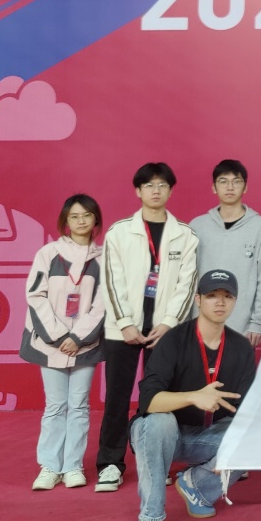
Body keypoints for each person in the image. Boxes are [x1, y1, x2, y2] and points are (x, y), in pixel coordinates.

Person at [129, 270, 256, 521]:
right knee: (160, 421)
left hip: (205, 436)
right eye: (212, 295)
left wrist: (235, 451)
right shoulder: (174, 340)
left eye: (227, 296)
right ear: (198, 300)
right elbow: (148, 401)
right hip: (159, 435)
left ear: (235, 301)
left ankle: (196, 486)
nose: (220, 302)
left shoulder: (241, 348)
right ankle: (150, 517)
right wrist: (194, 397)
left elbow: (246, 410)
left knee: (251, 436)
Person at [96, 163, 199, 493]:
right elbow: (111, 281)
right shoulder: (119, 232)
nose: (156, 190)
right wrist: (125, 323)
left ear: (170, 190)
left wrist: (169, 323)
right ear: (138, 191)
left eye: (162, 185)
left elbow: (187, 284)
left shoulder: (185, 235)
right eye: (149, 185)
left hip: (164, 332)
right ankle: (110, 464)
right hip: (123, 331)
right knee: (117, 398)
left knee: (158, 400)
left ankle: (157, 461)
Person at [20, 195, 108, 491]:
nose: (81, 221)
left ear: (96, 220)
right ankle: (49, 466)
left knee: (79, 406)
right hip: (50, 344)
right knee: (55, 405)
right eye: (74, 216)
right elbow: (36, 296)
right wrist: (59, 336)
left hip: (86, 344)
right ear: (65, 221)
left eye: (87, 215)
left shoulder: (104, 259)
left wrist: (78, 337)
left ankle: (72, 466)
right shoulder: (48, 253)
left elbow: (103, 303)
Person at [190, 160, 261, 347]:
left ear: (245, 187)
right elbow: (187, 276)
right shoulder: (197, 226)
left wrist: (259, 322)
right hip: (200, 322)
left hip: (242, 326)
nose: (230, 187)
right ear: (214, 187)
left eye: (236, 181)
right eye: (223, 181)